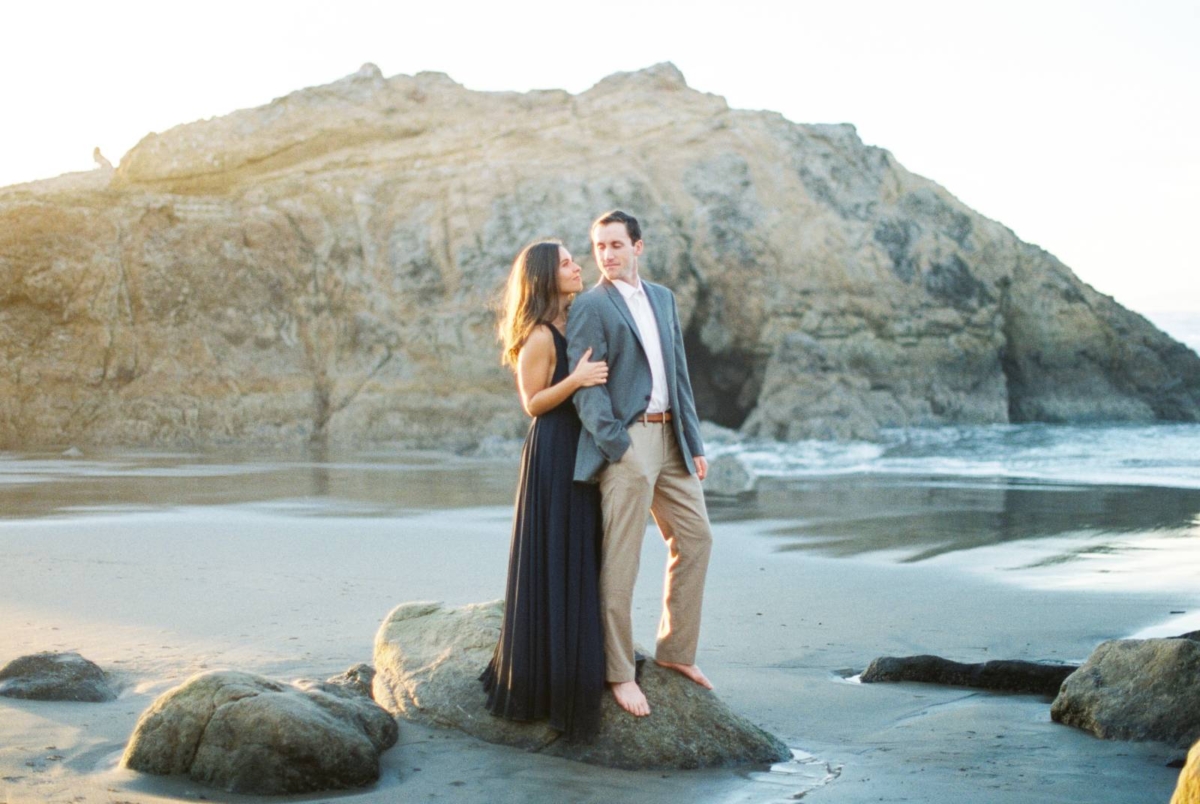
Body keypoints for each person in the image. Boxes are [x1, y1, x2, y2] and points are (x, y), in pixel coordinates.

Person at [567, 210, 715, 718]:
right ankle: (619, 673)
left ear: (638, 246)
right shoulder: (590, 306)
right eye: (598, 247)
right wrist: (618, 447)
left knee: (696, 538)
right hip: (629, 444)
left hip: (672, 437)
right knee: (622, 560)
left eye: (614, 245)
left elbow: (679, 374)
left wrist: (692, 440)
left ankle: (675, 654)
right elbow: (587, 389)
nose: (606, 255)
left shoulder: (663, 299)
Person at [480, 239, 609, 742]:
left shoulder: (573, 319)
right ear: (543, 276)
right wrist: (576, 379)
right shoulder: (538, 336)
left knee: (580, 553)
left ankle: (582, 657)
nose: (578, 266)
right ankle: (550, 679)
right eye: (566, 262)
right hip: (554, 453)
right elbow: (533, 404)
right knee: (555, 555)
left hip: (579, 447)